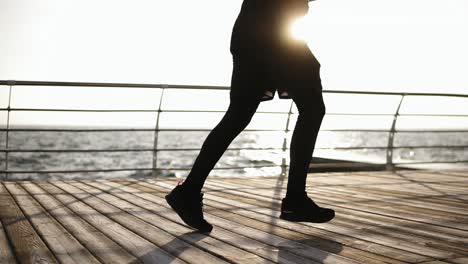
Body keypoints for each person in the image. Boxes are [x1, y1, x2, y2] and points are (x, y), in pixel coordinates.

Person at [165, 0, 335, 233]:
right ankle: (295, 199)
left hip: (257, 33)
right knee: (311, 108)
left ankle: (189, 191)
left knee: (239, 115)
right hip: (272, 34)